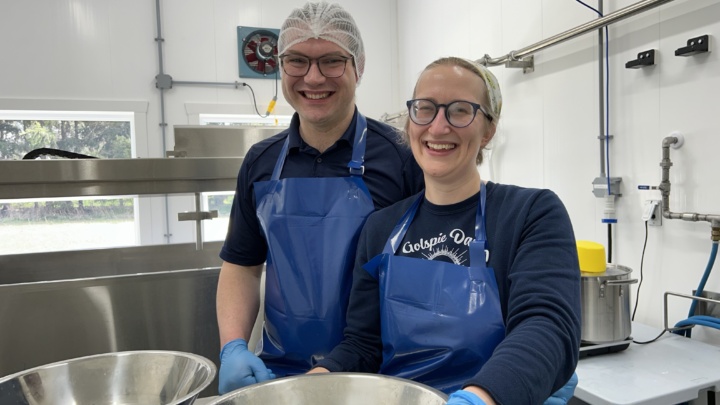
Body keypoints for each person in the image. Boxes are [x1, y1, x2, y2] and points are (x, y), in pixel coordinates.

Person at [310, 57, 582, 405]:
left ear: (488, 130)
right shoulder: (380, 228)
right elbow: (363, 344)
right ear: (410, 122)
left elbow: (546, 324)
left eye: (459, 111)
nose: (438, 128)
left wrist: (482, 397)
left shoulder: (530, 212)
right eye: (424, 109)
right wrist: (317, 382)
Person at [215, 1, 424, 395]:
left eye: (331, 61)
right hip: (281, 374)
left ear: (358, 67)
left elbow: (431, 271)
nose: (313, 78)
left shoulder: (401, 158)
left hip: (377, 374)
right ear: (280, 66)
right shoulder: (260, 163)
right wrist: (233, 346)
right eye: (296, 61)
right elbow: (242, 265)